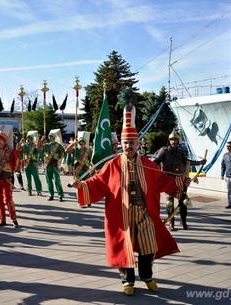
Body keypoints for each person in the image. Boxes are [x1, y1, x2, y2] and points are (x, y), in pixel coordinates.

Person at [73, 104, 187, 296]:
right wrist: (82, 186)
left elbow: (162, 180)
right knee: (124, 247)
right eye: (125, 143)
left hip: (144, 212)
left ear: (138, 144)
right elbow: (98, 182)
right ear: (121, 145)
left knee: (148, 245)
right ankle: (128, 280)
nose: (128, 146)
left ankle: (147, 276)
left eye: (132, 143)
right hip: (122, 215)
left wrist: (180, 182)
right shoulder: (113, 164)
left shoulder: (147, 164)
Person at [152, 130, 206, 230]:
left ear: (178, 141)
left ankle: (184, 222)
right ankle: (171, 223)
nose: (174, 141)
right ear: (169, 141)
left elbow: (187, 162)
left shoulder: (180, 152)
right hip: (168, 180)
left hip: (180, 179)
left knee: (184, 202)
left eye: (175, 139)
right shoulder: (163, 151)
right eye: (172, 139)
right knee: (169, 203)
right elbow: (155, 162)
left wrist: (199, 162)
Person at [0, 131, 19, 227]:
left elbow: (16, 161)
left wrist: (12, 170)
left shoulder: (10, 151)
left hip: (7, 179)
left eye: (0, 139)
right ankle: (2, 219)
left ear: (4, 141)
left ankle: (14, 219)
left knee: (8, 199)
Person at [41, 133, 65, 202]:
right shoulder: (46, 145)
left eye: (52, 137)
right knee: (49, 181)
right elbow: (40, 149)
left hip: (55, 165)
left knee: (57, 181)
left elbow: (63, 153)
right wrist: (42, 140)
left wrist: (58, 158)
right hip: (48, 165)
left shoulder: (58, 145)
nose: (50, 138)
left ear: (54, 138)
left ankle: (60, 195)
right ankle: (51, 195)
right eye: (49, 137)